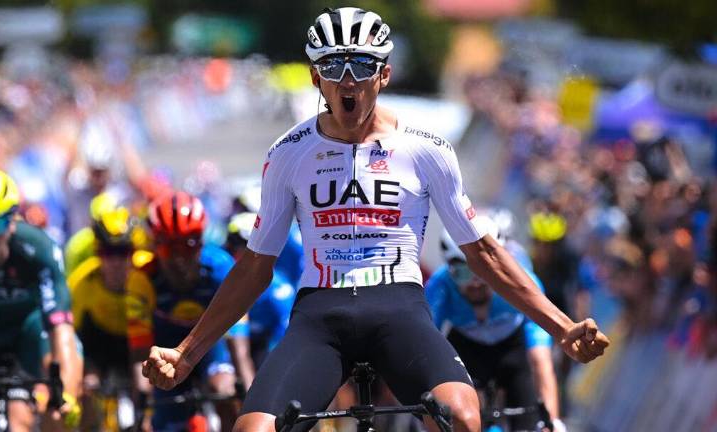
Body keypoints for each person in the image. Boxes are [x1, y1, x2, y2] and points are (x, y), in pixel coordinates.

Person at [142, 7, 610, 432]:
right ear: (315, 77)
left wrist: (562, 327)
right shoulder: (288, 153)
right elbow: (254, 267)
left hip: (398, 308)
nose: (348, 81)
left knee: (463, 419)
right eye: (333, 67)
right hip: (320, 316)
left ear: (384, 74)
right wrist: (186, 353)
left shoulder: (427, 150)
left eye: (362, 66)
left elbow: (483, 252)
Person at [0, 168, 82, 431]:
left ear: (13, 222)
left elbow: (62, 331)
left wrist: (66, 395)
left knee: (47, 415)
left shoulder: (38, 248)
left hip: (26, 331)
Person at [126, 191, 252, 431]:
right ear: (155, 245)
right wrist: (141, 409)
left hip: (211, 348)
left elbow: (239, 349)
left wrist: (251, 403)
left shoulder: (222, 268)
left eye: (189, 245)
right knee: (163, 421)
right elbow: (140, 353)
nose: (179, 258)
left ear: (202, 242)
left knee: (224, 392)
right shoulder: (141, 279)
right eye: (169, 248)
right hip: (164, 350)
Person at [428, 220, 565, 432]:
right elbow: (426, 350)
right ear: (449, 270)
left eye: (482, 271)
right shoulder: (439, 286)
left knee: (530, 425)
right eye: (463, 272)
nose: (475, 282)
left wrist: (552, 421)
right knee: (462, 420)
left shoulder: (524, 282)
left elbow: (541, 359)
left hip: (513, 349)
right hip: (466, 349)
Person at [67, 205, 138, 429]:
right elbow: (70, 338)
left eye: (123, 252)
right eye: (108, 253)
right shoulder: (81, 282)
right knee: (86, 389)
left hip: (138, 342)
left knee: (146, 390)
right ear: (98, 253)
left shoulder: (146, 274)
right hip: (98, 344)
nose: (116, 262)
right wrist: (81, 376)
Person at [224, 211, 295, 367]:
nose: (230, 253)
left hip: (266, 345)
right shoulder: (219, 275)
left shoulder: (279, 289)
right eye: (229, 246)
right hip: (228, 344)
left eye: (238, 247)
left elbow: (287, 333)